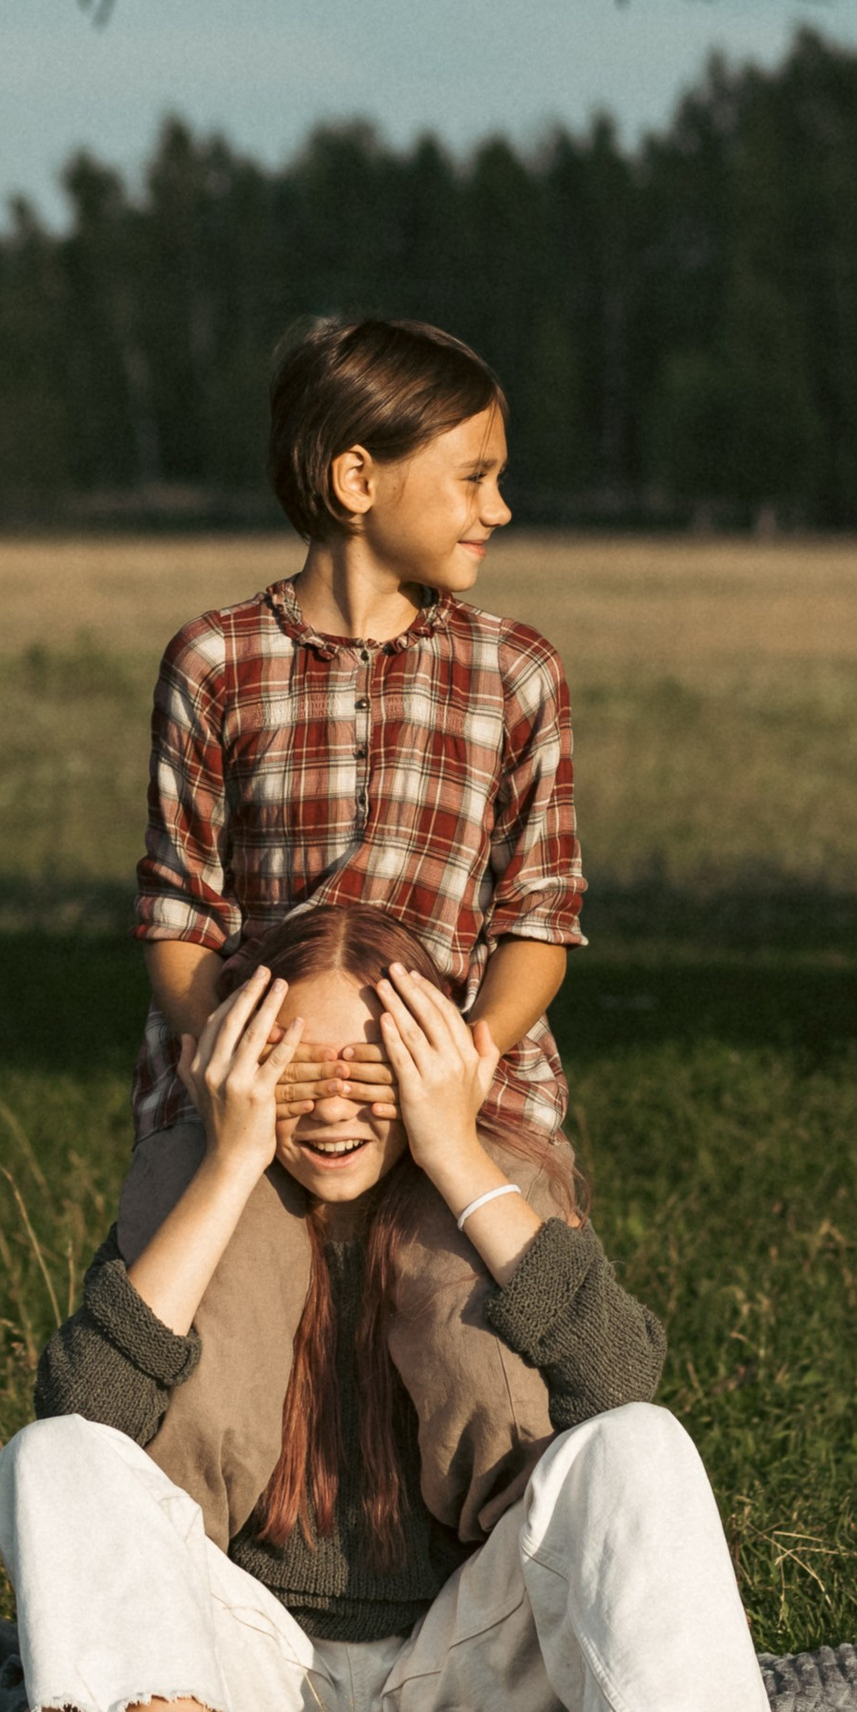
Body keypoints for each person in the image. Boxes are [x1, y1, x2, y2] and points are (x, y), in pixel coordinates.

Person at [0, 901, 813, 1712]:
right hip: (246, 1676)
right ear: (241, 1067)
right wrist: (231, 1158)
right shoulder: (186, 1182)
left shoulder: (497, 1183)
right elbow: (88, 1407)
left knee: (639, 1439)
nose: (334, 1111)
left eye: (371, 1072)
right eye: (297, 1073)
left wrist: (454, 1152)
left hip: (473, 1661)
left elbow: (616, 1378)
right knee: (49, 1452)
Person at [129, 315, 583, 1152]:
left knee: (503, 1279)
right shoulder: (215, 660)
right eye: (474, 478)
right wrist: (236, 1062)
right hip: (252, 1104)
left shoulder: (516, 670)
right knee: (187, 1278)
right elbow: (179, 910)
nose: (501, 508)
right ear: (357, 480)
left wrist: (465, 1066)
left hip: (469, 1107)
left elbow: (539, 918)